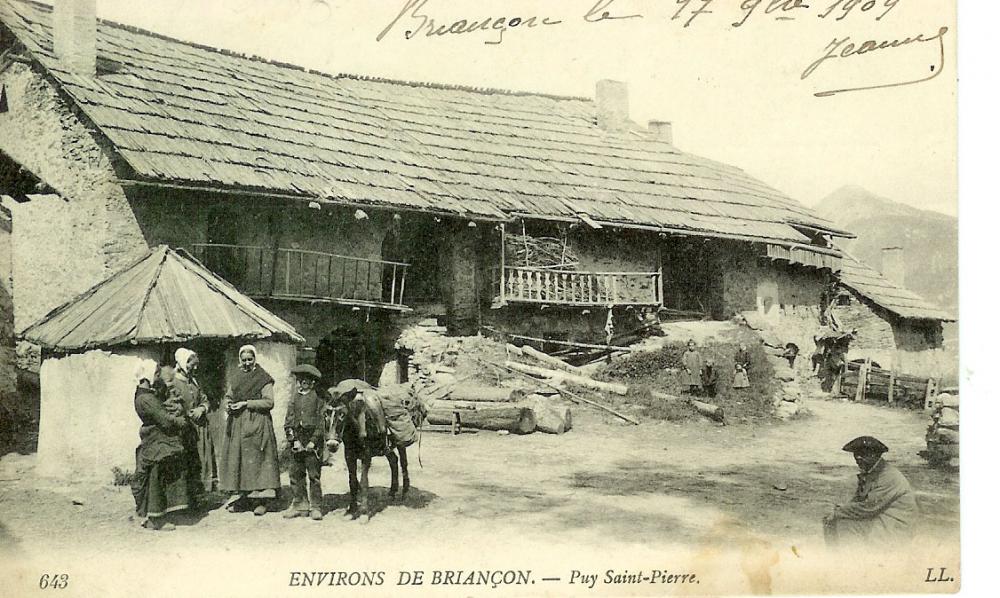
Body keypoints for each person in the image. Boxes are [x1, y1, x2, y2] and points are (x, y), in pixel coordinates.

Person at [823, 436, 917, 548]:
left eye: (863, 454)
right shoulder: (873, 472)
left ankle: (847, 560)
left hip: (895, 524)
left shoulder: (888, 476)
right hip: (882, 518)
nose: (857, 458)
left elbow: (869, 507)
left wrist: (837, 512)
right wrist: (840, 509)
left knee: (844, 524)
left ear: (874, 455)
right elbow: (860, 500)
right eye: (856, 454)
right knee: (832, 521)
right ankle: (838, 558)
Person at [219, 345, 281, 516]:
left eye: (250, 359)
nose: (247, 363)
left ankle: (262, 501)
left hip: (258, 423)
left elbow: (269, 402)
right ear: (240, 360)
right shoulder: (237, 376)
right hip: (238, 423)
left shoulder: (263, 378)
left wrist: (247, 403)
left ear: (255, 359)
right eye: (244, 360)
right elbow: (229, 395)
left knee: (258, 461)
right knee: (241, 462)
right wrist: (228, 404)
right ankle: (244, 499)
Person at [131, 359, 191, 531]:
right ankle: (155, 519)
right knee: (155, 478)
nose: (158, 375)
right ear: (148, 376)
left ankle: (163, 513)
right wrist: (179, 421)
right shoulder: (146, 398)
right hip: (156, 440)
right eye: (156, 373)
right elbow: (164, 419)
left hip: (157, 438)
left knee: (161, 476)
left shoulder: (147, 393)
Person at [283, 364, 326, 521]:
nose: (303, 383)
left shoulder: (318, 399)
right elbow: (288, 421)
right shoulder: (294, 398)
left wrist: (314, 442)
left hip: (312, 441)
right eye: (300, 380)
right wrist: (293, 440)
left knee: (314, 475)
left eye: (307, 380)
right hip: (297, 440)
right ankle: (299, 504)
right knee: (295, 473)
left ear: (313, 382)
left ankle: (316, 506)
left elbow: (322, 423)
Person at [173, 348, 217, 498]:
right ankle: (189, 497)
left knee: (203, 458)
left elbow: (204, 399)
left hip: (201, 427)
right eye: (193, 364)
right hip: (187, 429)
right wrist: (186, 413)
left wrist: (202, 409)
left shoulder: (194, 381)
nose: (196, 368)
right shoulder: (173, 383)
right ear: (183, 364)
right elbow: (171, 406)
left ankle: (202, 494)